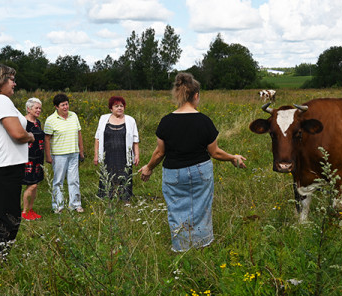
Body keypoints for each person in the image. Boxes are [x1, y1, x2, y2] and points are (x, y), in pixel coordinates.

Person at [139, 72, 247, 252]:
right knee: (201, 208)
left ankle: (182, 249)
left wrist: (149, 168)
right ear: (196, 95)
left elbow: (159, 153)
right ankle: (202, 245)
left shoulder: (166, 121)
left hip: (173, 174)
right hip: (200, 171)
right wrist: (232, 157)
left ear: (178, 95)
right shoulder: (204, 121)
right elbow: (215, 152)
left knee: (176, 210)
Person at [0, 63, 34, 278]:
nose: (14, 83)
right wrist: (29, 136)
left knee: (4, 218)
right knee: (9, 220)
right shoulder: (0, 101)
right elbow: (18, 134)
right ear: (0, 80)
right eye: (11, 79)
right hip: (2, 169)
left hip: (0, 168)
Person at [93, 96, 139, 203]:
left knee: (125, 176)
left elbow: (135, 140)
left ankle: (125, 200)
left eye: (121, 106)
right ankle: (107, 199)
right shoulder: (103, 119)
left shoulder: (130, 120)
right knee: (107, 176)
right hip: (107, 155)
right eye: (116, 106)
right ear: (111, 108)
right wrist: (96, 155)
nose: (119, 108)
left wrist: (136, 155)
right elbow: (97, 139)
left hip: (124, 155)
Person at [44, 93, 85, 213]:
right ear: (56, 107)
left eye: (67, 104)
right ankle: (58, 206)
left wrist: (81, 151)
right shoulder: (51, 120)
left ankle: (75, 204)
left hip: (73, 153)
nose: (66, 107)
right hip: (59, 155)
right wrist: (48, 156)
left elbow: (79, 134)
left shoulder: (74, 116)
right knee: (58, 181)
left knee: (74, 180)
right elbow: (47, 138)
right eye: (62, 105)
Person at [21, 97, 45, 221]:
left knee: (35, 185)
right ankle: (24, 212)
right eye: (36, 108)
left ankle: (31, 210)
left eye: (40, 108)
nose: (39, 110)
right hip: (27, 158)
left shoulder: (38, 122)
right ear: (29, 109)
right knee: (31, 185)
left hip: (38, 158)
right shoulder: (23, 122)